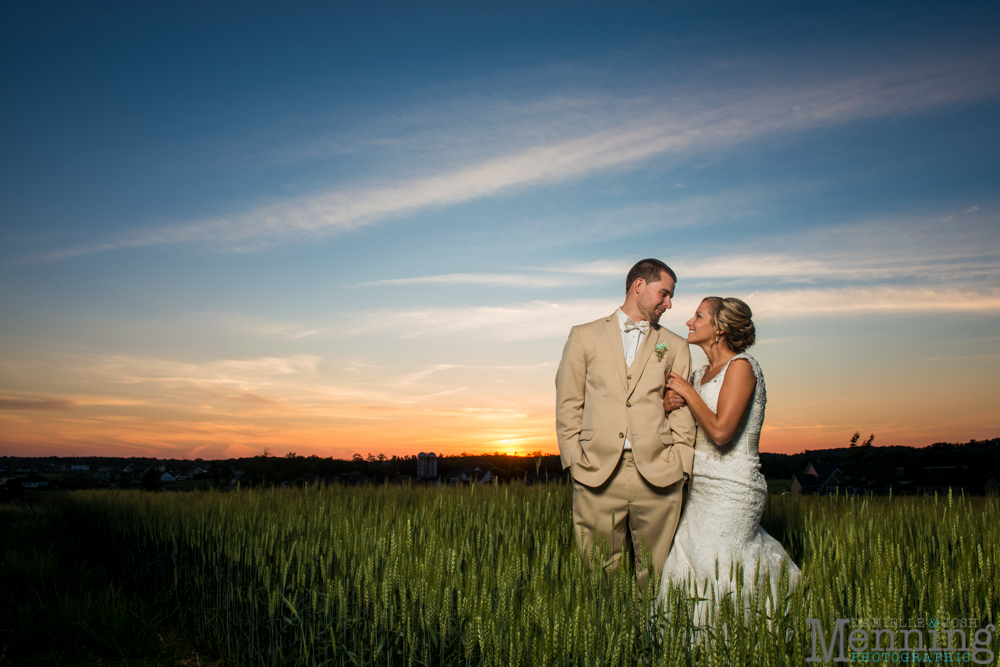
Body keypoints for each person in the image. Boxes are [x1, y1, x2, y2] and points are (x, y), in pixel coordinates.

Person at [555, 258, 696, 590]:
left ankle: (652, 641)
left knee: (656, 579)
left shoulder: (675, 346)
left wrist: (681, 465)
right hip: (596, 472)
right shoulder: (583, 336)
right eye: (664, 293)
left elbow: (682, 412)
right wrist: (575, 461)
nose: (669, 303)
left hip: (660, 475)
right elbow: (568, 403)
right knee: (600, 580)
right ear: (639, 286)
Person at [658, 297, 800, 621]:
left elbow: (721, 434)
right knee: (686, 560)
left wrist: (688, 392)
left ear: (719, 328)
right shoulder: (697, 375)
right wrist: (667, 405)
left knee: (719, 564)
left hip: (734, 488)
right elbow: (680, 428)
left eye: (698, 316)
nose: (689, 322)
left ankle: (746, 637)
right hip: (699, 489)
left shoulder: (742, 367)